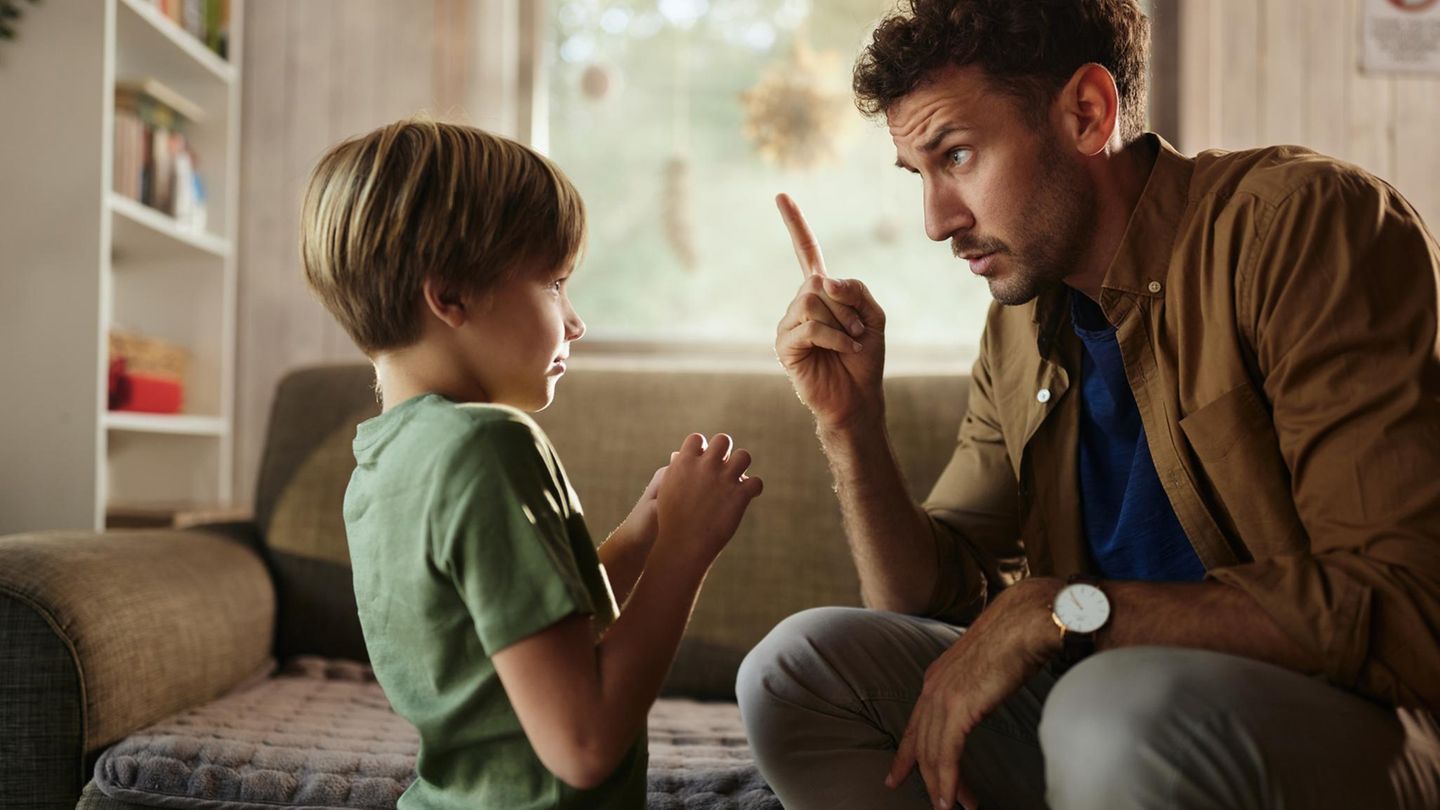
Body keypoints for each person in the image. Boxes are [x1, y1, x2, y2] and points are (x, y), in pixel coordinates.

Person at [735, 1, 1440, 809]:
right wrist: (851, 424)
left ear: (1086, 113)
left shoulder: (1301, 227)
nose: (936, 222)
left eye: (957, 155)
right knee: (797, 669)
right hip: (1110, 719)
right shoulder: (1021, 322)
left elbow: (1408, 610)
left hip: (1364, 723)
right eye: (918, 175)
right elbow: (931, 601)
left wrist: (1068, 610)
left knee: (1102, 710)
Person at [300, 118, 763, 809]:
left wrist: (642, 538)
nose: (575, 322)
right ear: (450, 294)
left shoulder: (380, 467)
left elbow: (534, 641)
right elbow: (584, 745)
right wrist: (688, 551)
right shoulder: (488, 445)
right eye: (553, 284)